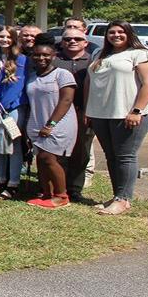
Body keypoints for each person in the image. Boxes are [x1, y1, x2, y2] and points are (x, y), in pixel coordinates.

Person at [85, 20, 148, 216]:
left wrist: (136, 111)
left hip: (129, 113)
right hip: (102, 113)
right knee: (111, 156)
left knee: (125, 156)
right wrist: (87, 110)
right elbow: (89, 83)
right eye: (111, 32)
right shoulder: (99, 54)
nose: (116, 35)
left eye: (120, 32)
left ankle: (123, 199)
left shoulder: (142, 55)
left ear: (129, 33)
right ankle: (117, 194)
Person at [24, 34, 78, 210]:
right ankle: (47, 194)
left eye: (46, 55)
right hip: (37, 123)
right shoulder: (32, 76)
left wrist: (51, 125)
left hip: (58, 123)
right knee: (40, 159)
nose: (41, 58)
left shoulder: (62, 74)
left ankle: (61, 196)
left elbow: (66, 100)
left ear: (53, 55)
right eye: (37, 55)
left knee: (48, 158)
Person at [0, 27, 28, 199]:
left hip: (12, 108)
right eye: (1, 36)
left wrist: (4, 106)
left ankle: (13, 183)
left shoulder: (21, 60)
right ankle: (0, 180)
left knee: (13, 145)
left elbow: (18, 86)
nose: (5, 40)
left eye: (9, 37)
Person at [55, 27, 97, 202]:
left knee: (81, 152)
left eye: (77, 39)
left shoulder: (93, 62)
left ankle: (75, 189)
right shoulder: (54, 60)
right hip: (57, 113)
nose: (72, 41)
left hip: (83, 112)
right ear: (62, 42)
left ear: (85, 43)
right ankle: (58, 186)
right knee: (57, 151)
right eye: (68, 39)